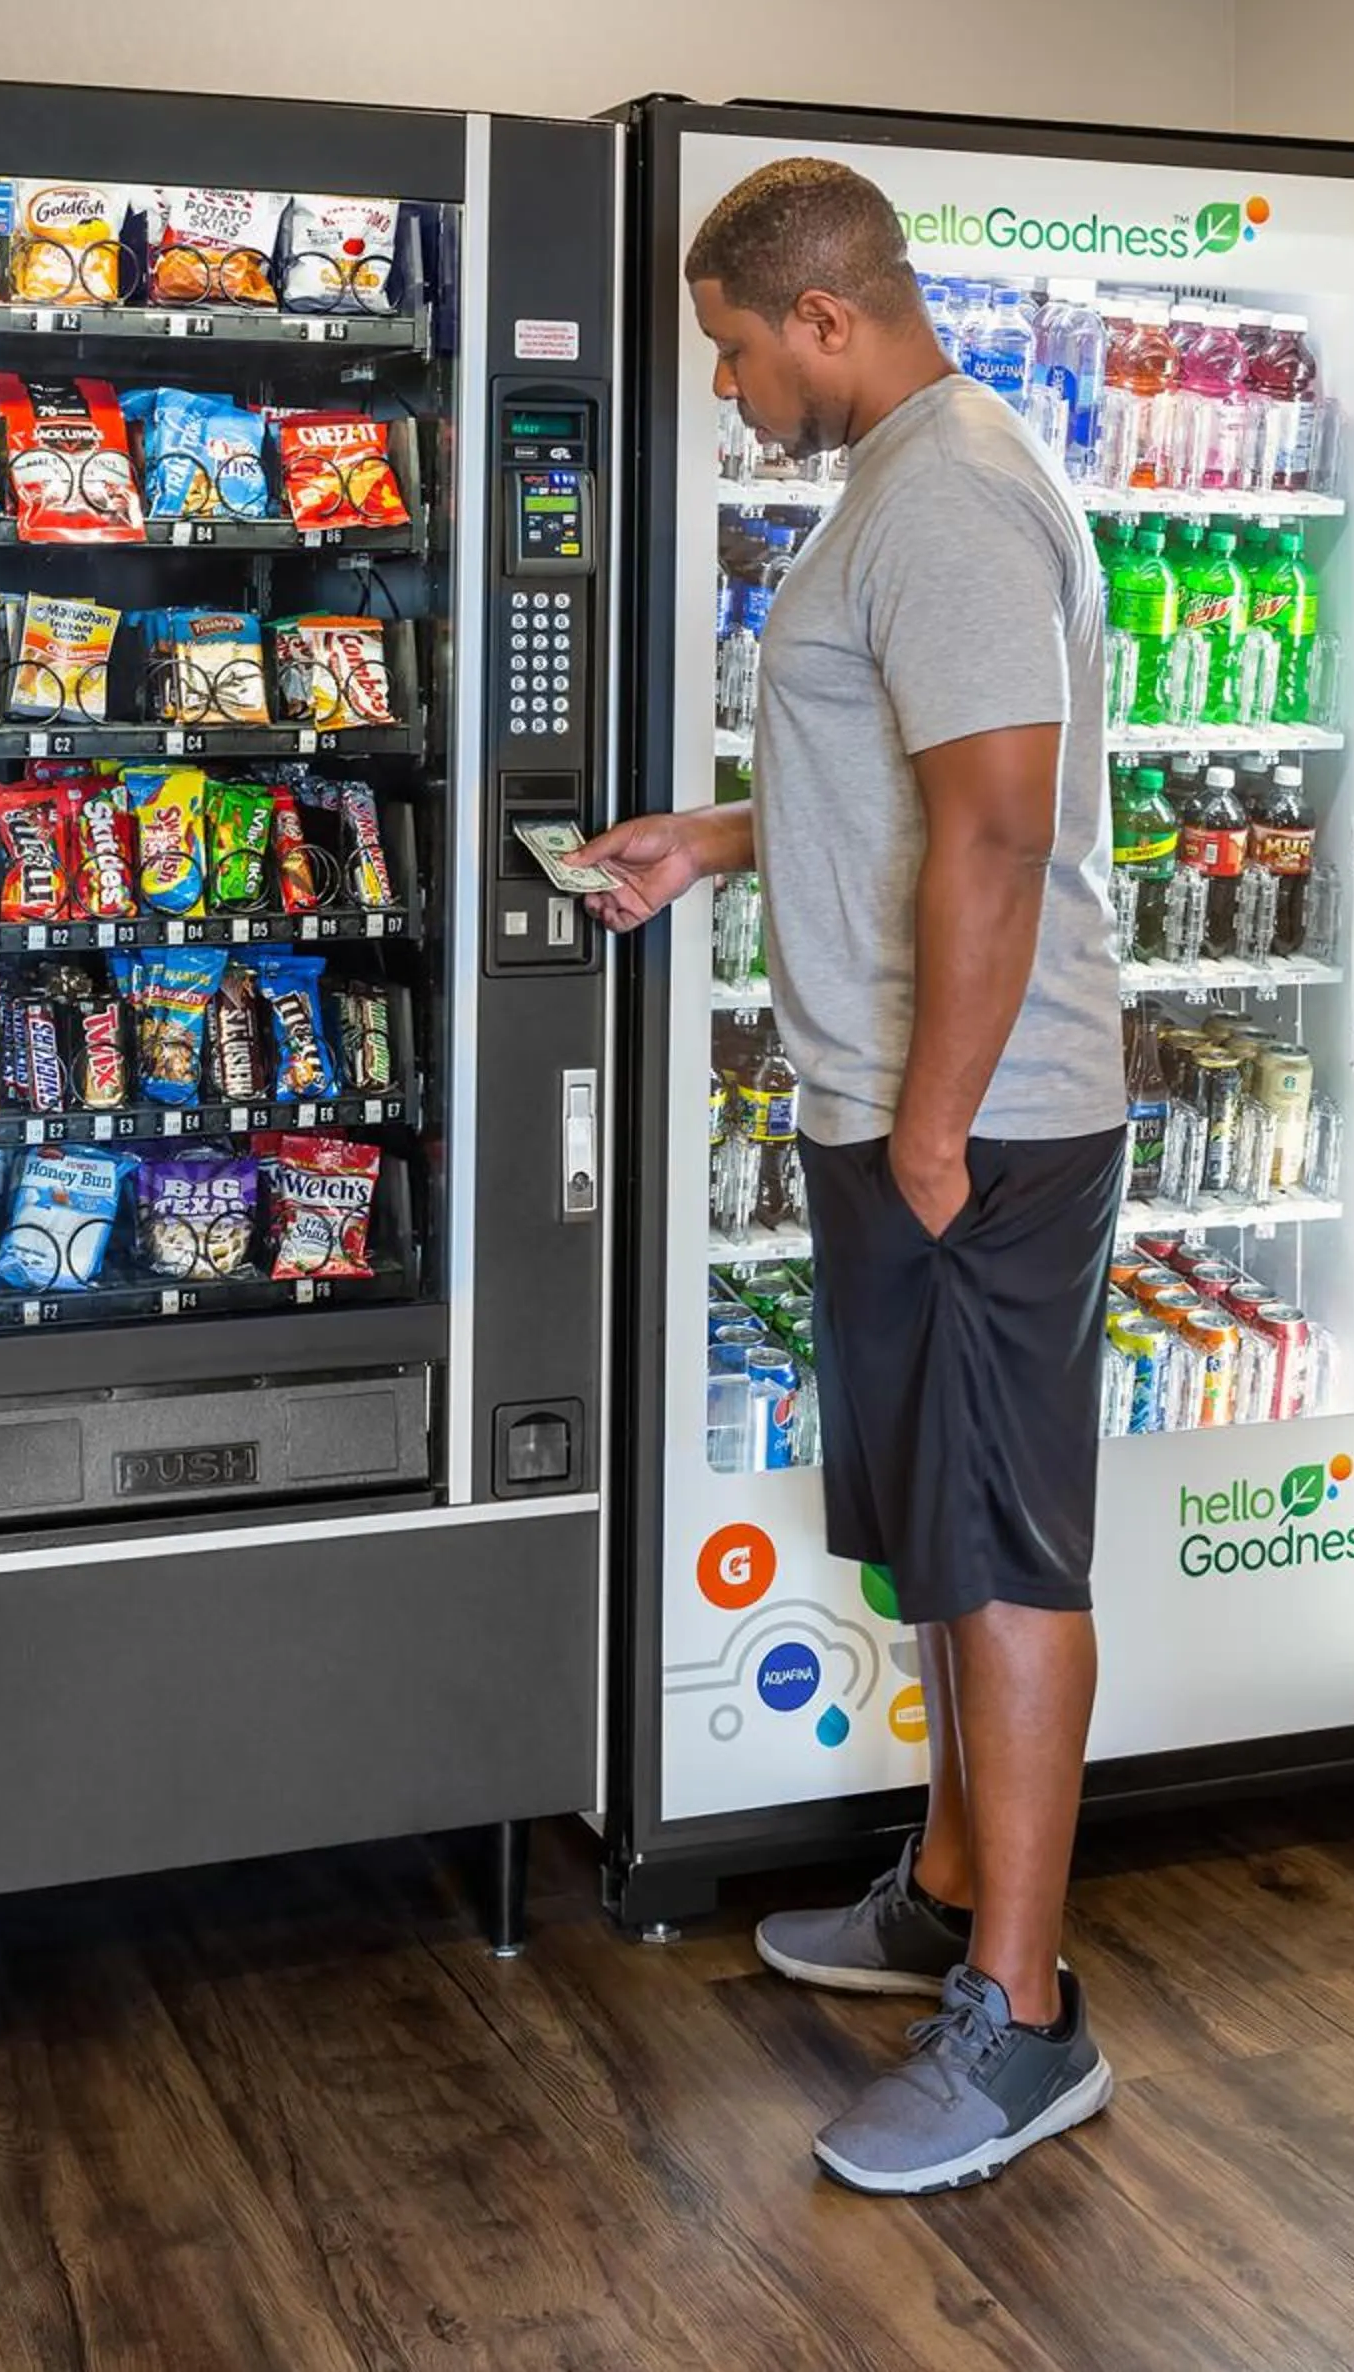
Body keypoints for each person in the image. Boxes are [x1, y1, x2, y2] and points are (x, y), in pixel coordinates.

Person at [572, 156, 1126, 2197]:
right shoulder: (900, 485)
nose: (726, 389)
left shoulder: (956, 484)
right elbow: (884, 778)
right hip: (905, 1107)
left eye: (732, 349)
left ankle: (1028, 2018)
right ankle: (948, 1892)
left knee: (1000, 1556)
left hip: (978, 1121)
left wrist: (928, 1127)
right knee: (929, 1538)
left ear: (825, 317)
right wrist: (706, 842)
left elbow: (994, 828)